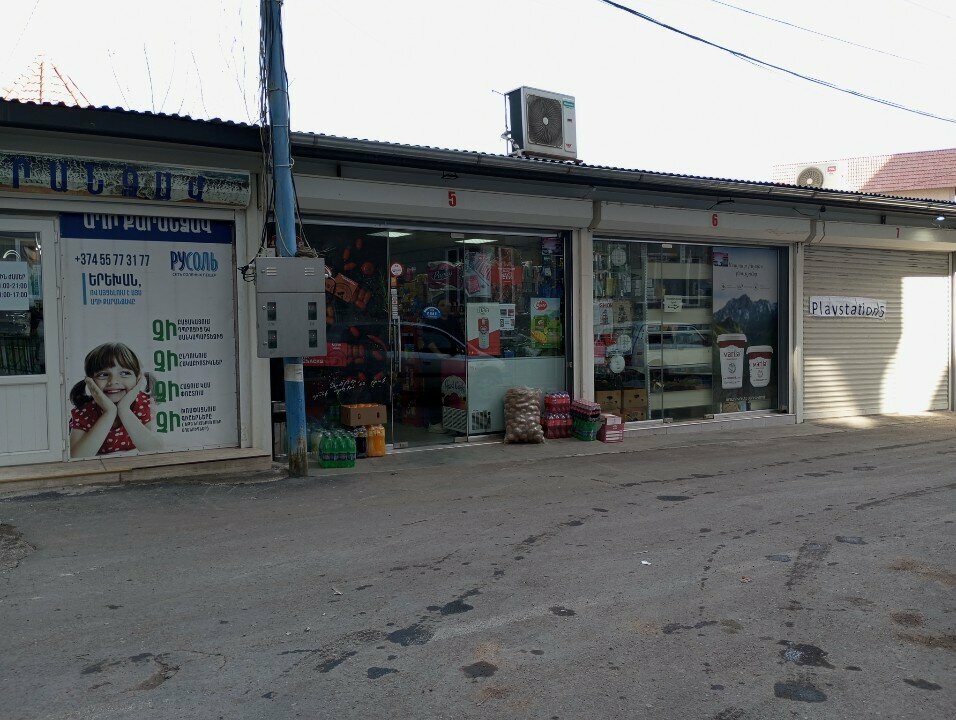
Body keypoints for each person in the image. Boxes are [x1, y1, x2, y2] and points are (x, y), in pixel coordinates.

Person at [68, 343, 163, 457]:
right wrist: (109, 412)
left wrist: (124, 409)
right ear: (90, 382)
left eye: (124, 373)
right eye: (103, 374)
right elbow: (76, 457)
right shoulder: (85, 411)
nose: (113, 381)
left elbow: (155, 450)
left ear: (138, 379)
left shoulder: (142, 403)